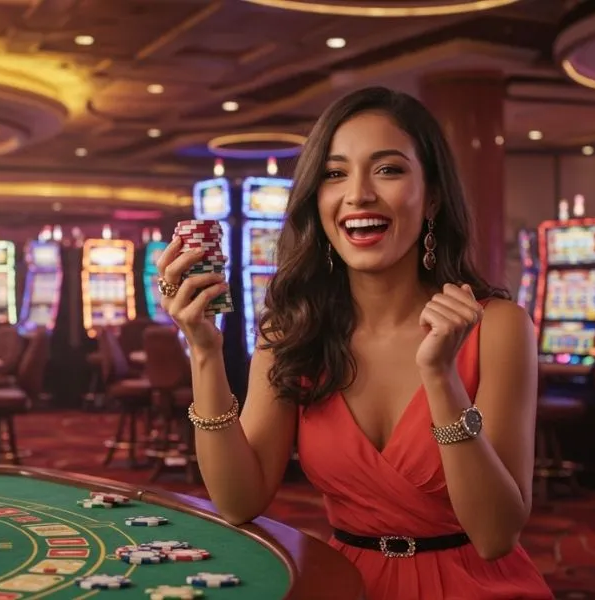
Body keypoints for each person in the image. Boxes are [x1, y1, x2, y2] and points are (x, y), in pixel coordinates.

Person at [155, 87, 553, 598]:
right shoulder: (293, 331)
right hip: (346, 583)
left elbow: (496, 534)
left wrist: (442, 378)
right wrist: (205, 352)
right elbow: (238, 501)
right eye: (334, 173)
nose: (358, 194)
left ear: (431, 195)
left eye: (388, 170)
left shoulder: (496, 326)